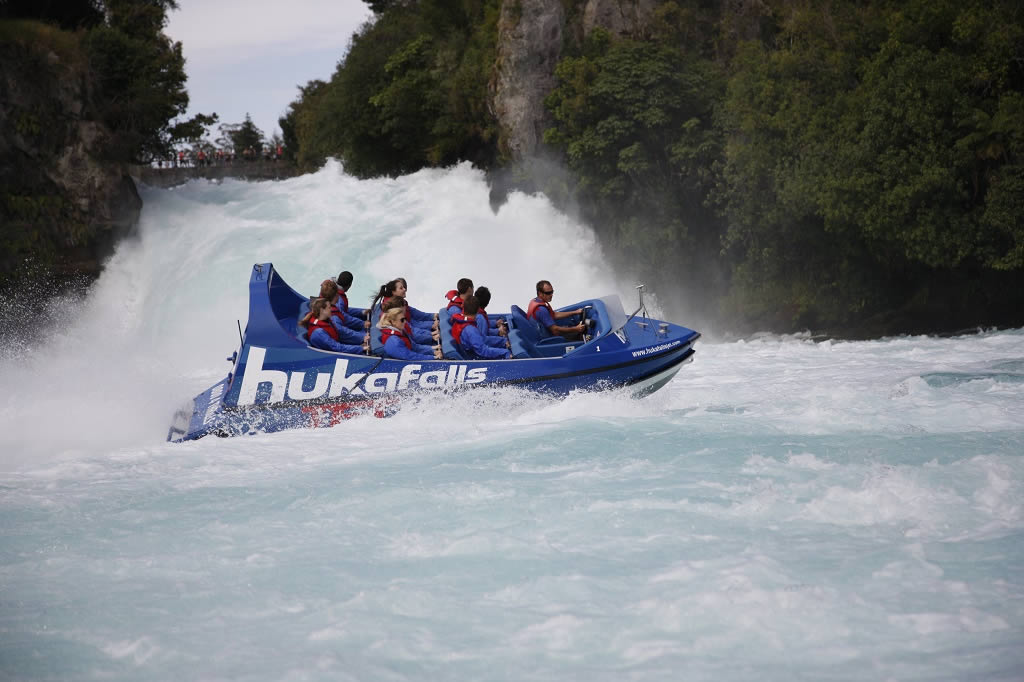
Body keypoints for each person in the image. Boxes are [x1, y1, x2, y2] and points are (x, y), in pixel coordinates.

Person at [300, 298, 366, 354]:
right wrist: (360, 348)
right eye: (329, 308)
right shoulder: (319, 333)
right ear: (322, 310)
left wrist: (360, 343)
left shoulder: (326, 321)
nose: (331, 309)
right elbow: (337, 348)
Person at [371, 278, 438, 332]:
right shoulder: (393, 308)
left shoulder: (400, 302)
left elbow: (415, 314)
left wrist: (433, 316)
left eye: (404, 287)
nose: (405, 289)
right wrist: (430, 325)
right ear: (393, 292)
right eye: (401, 288)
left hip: (414, 327)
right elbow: (409, 328)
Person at [318, 280, 369, 345]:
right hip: (339, 341)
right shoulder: (333, 317)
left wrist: (362, 320)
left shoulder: (326, 306)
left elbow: (343, 314)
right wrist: (362, 337)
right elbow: (343, 332)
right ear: (336, 295)